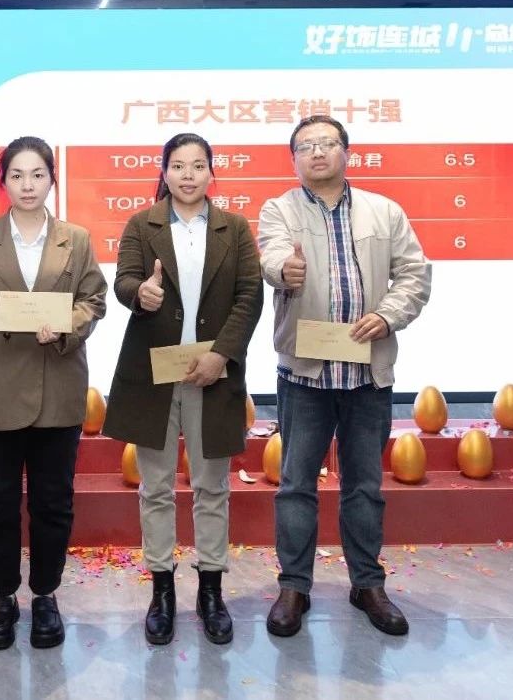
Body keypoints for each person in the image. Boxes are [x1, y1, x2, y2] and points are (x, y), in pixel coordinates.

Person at [257, 115, 432, 638]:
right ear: (294, 159)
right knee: (296, 486)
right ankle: (294, 587)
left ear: (346, 152)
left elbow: (415, 274)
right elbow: (270, 254)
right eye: (306, 146)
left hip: (367, 375)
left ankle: (367, 584)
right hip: (304, 377)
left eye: (327, 143)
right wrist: (283, 271)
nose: (317, 152)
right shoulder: (279, 210)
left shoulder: (385, 210)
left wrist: (388, 315)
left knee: (365, 487)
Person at [0, 136, 107, 650]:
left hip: (56, 388)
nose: (28, 185)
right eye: (17, 175)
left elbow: (94, 300)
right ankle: (2, 597)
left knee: (52, 502)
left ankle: (45, 596)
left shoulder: (75, 239)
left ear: (52, 179)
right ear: (4, 183)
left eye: (37, 174)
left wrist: (66, 324)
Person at [104, 133, 263, 646]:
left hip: (212, 374)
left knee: (212, 486)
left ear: (212, 172)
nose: (188, 175)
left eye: (197, 166)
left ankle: (211, 590)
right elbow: (123, 280)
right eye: (178, 166)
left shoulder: (234, 228)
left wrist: (221, 355)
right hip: (154, 372)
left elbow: (250, 295)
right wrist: (140, 293)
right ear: (164, 172)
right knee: (154, 487)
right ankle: (162, 590)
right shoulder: (141, 224)